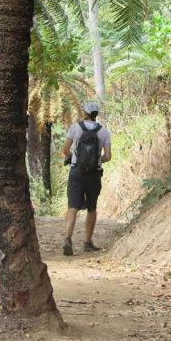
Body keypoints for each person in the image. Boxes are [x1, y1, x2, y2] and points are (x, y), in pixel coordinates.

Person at [61, 100, 111, 256]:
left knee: (73, 206)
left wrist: (73, 158)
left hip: (76, 172)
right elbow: (108, 157)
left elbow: (65, 150)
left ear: (84, 113)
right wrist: (96, 160)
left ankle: (68, 239)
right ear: (96, 115)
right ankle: (87, 243)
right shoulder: (103, 131)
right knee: (92, 208)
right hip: (94, 174)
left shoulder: (76, 127)